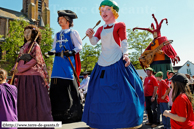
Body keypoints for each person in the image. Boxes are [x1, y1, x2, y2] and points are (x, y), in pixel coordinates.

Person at [82, 0, 144, 128]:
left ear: (114, 11)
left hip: (117, 59)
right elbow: (94, 42)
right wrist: (90, 36)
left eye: (107, 9)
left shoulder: (120, 25)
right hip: (102, 61)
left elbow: (124, 41)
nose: (104, 12)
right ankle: (101, 121)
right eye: (102, 10)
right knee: (99, 91)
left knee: (125, 91)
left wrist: (126, 54)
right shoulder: (100, 28)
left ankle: (125, 120)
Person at [12, 25, 53, 124]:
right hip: (20, 76)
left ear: (34, 33)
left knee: (32, 101)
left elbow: (36, 60)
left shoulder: (35, 46)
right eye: (24, 32)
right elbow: (19, 60)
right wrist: (15, 69)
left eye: (28, 32)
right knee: (22, 101)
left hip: (31, 77)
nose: (26, 35)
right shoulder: (24, 46)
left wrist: (21, 68)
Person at [48, 10, 83, 123]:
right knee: (56, 85)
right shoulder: (57, 34)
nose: (59, 20)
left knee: (68, 84)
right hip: (57, 62)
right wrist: (51, 52)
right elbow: (54, 47)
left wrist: (72, 51)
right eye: (59, 19)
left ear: (68, 20)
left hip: (68, 62)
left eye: (62, 18)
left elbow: (79, 46)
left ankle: (72, 114)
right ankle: (57, 115)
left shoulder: (72, 32)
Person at [133, 14, 180, 79]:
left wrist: (165, 53)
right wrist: (142, 57)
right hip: (153, 64)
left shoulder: (163, 39)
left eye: (155, 33)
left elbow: (169, 49)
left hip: (163, 64)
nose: (154, 34)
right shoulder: (152, 42)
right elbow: (146, 51)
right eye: (153, 33)